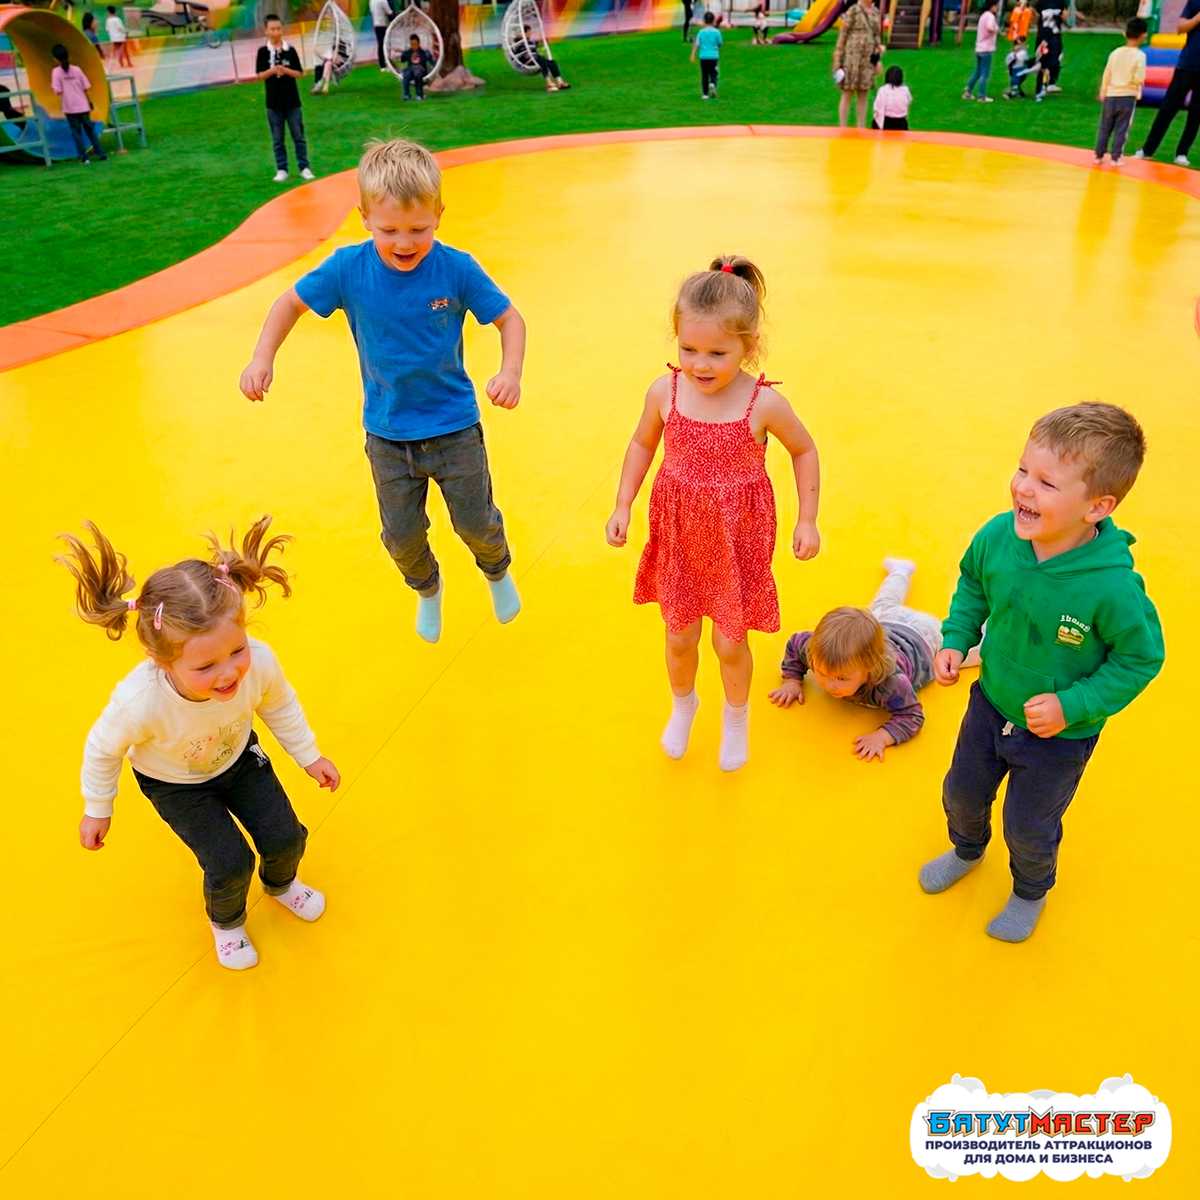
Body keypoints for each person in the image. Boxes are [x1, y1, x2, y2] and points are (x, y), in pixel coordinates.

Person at [240, 139, 527, 644]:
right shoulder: (347, 269)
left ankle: (497, 570)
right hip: (389, 436)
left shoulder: (456, 268)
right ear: (365, 218)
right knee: (400, 536)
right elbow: (288, 304)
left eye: (419, 229)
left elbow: (510, 319)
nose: (404, 242)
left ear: (439, 215)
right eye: (389, 230)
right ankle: (428, 589)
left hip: (454, 428)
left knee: (475, 521)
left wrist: (511, 372)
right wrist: (262, 357)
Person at [920, 404, 1164, 942]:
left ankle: (1030, 891)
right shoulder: (998, 536)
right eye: (1023, 469)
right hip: (990, 703)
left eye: (1047, 483)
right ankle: (966, 850)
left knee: (1029, 827)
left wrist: (1072, 705)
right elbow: (974, 583)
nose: (1023, 488)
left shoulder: (1113, 588)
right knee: (961, 792)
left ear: (1097, 507)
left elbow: (1140, 658)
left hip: (1059, 737)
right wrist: (957, 638)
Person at [59, 517, 340, 972]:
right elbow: (102, 749)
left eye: (237, 650)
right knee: (229, 863)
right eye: (206, 667)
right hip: (176, 785)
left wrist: (309, 756)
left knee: (286, 836)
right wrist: (98, 807)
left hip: (239, 759)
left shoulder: (259, 663)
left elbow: (279, 704)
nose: (228, 673)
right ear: (161, 660)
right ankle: (227, 923)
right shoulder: (140, 702)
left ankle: (281, 884)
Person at [606, 256, 821, 773]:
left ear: (750, 346)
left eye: (718, 353)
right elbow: (642, 444)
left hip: (734, 536)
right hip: (680, 532)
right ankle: (684, 704)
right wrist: (622, 504)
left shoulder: (762, 404)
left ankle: (736, 716)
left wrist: (807, 518)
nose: (701, 365)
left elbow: (804, 449)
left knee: (730, 641)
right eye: (689, 349)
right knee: (679, 634)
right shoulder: (665, 391)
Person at [770, 559, 978, 760]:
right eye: (822, 673)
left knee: (958, 658)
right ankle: (901, 570)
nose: (829, 685)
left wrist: (883, 736)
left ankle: (990, 627)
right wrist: (792, 680)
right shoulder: (816, 651)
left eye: (842, 678)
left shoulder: (890, 683)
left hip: (926, 637)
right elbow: (795, 643)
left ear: (869, 669)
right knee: (884, 602)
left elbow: (912, 716)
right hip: (886, 621)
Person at [1134, 0, 1200, 167]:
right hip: (1187, 64)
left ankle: (1182, 153)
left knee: (1196, 113)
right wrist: (1197, 18)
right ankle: (1147, 150)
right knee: (1168, 108)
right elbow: (1180, 27)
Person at [255, 13, 313, 183]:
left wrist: (285, 70)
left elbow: (299, 73)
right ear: (266, 31)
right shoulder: (263, 52)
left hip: (292, 102)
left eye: (278, 28)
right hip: (273, 104)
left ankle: (304, 167)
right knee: (278, 140)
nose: (276, 32)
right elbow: (260, 75)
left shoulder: (290, 50)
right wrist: (273, 70)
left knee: (299, 137)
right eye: (272, 29)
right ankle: (282, 169)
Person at [1094, 18, 1147, 166]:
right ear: (1143, 35)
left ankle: (1098, 155)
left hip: (1111, 95)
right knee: (1122, 128)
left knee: (1105, 127)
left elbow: (1107, 73)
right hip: (1127, 97)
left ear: (1125, 33)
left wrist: (1103, 91)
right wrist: (1137, 86)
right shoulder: (1140, 56)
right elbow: (1139, 78)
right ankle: (1115, 158)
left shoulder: (1115, 53)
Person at [50, 43, 107, 163]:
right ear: (68, 56)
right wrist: (89, 101)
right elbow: (86, 87)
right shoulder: (77, 69)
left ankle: (84, 157)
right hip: (83, 106)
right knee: (90, 131)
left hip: (69, 108)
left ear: (55, 59)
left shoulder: (56, 72)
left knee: (76, 133)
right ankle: (101, 153)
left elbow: (57, 91)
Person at [833, 0, 883, 129]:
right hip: (851, 58)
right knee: (847, 92)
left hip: (867, 59)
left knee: (863, 93)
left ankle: (861, 128)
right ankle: (843, 127)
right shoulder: (853, 10)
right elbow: (843, 34)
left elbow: (877, 37)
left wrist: (877, 59)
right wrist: (838, 58)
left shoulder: (876, 12)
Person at [963, 0, 999, 102]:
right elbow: (990, 27)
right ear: (992, 6)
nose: (997, 8)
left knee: (978, 72)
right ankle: (981, 96)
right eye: (996, 6)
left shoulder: (983, 15)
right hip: (986, 49)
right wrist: (997, 29)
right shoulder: (990, 16)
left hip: (979, 48)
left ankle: (968, 91)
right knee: (984, 74)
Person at [523, 24, 571, 92]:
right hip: (527, 61)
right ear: (525, 32)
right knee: (541, 59)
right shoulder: (520, 42)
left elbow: (537, 46)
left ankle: (560, 82)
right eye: (529, 32)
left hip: (536, 59)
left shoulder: (530, 42)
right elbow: (520, 54)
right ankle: (549, 83)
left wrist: (542, 42)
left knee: (552, 62)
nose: (530, 34)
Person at [1034, 0, 1066, 96]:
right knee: (1045, 60)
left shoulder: (1059, 2)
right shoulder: (1041, 2)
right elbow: (1036, 16)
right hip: (1046, 36)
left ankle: (1049, 83)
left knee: (1055, 59)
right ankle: (1044, 85)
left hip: (1051, 36)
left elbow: (1064, 16)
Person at [691, 10, 723, 99]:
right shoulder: (717, 32)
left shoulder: (701, 32)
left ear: (704, 21)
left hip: (703, 57)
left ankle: (705, 94)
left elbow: (697, 44)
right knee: (714, 73)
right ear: (713, 20)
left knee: (704, 74)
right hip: (713, 56)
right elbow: (720, 43)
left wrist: (693, 54)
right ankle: (712, 83)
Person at [872, 64, 912, 129]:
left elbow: (877, 108)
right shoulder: (905, 90)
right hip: (901, 123)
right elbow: (908, 102)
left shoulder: (883, 90)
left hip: (886, 123)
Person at [400, 33, 433, 100]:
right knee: (406, 74)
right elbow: (402, 60)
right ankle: (406, 94)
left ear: (418, 43)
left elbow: (432, 62)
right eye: (412, 44)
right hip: (411, 70)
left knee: (417, 73)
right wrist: (403, 54)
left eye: (415, 44)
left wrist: (430, 57)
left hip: (420, 70)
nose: (413, 46)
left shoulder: (423, 52)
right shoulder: (408, 52)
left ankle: (419, 94)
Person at [104, 6, 132, 70]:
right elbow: (120, 28)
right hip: (120, 37)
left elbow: (107, 30)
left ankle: (122, 63)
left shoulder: (108, 20)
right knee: (124, 50)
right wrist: (126, 33)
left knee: (117, 50)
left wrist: (112, 33)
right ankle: (128, 63)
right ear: (115, 11)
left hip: (113, 38)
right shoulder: (117, 19)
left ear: (108, 12)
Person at [370, 0, 393, 71]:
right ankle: (386, 63)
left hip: (376, 25)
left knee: (381, 45)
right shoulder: (383, 1)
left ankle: (383, 64)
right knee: (385, 45)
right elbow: (389, 13)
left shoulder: (371, 1)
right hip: (383, 25)